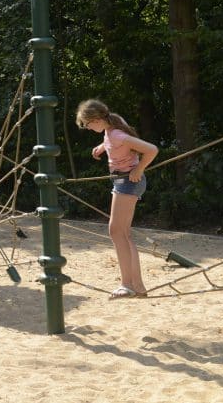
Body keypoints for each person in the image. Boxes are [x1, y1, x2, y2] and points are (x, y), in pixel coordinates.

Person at [76, 99, 158, 299]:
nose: (87, 128)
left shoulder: (117, 134)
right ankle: (136, 286)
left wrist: (139, 169)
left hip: (128, 181)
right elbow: (111, 138)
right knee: (122, 233)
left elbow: (152, 149)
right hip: (122, 181)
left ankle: (127, 285)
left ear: (96, 120)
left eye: (87, 125)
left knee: (116, 232)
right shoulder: (113, 123)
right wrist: (102, 147)